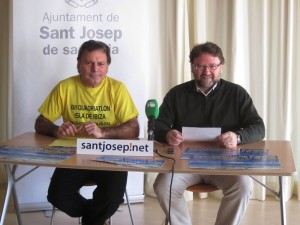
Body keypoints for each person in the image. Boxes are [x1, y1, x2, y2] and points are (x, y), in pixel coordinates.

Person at [153, 42, 265, 225]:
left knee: (243, 185)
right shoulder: (176, 94)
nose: (206, 71)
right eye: (200, 66)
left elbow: (258, 127)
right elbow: (158, 125)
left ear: (221, 67)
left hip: (226, 163)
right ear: (192, 67)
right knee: (163, 185)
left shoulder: (236, 93)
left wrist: (237, 137)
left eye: (212, 66)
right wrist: (167, 134)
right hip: (184, 163)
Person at [34, 40, 139, 225]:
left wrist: (103, 133)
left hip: (110, 154)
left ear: (107, 67)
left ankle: (93, 219)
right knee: (57, 196)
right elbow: (40, 122)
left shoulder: (117, 88)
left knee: (112, 199)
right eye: (88, 62)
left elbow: (134, 128)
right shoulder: (65, 87)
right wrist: (56, 129)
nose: (94, 69)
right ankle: (96, 217)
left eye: (100, 64)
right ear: (78, 64)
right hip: (74, 154)